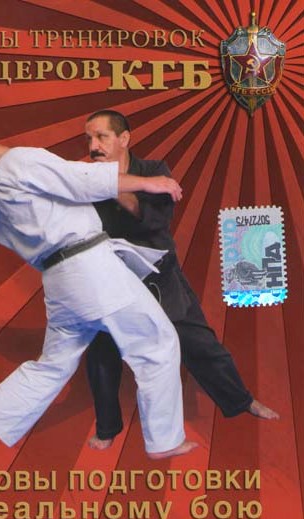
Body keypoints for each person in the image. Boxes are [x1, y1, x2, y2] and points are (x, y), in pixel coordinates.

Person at [0, 120, 198, 462]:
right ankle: (163, 440)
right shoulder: (14, 168)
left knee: (53, 366)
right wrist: (148, 182)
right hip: (91, 270)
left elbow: (12, 163)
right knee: (158, 343)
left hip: (60, 284)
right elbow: (80, 179)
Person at [84, 109, 279, 450]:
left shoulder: (154, 170)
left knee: (197, 341)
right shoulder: (84, 178)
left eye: (101, 137)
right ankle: (107, 428)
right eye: (89, 138)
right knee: (101, 352)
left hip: (160, 274)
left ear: (124, 138)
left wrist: (109, 184)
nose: (93, 146)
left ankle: (240, 400)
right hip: (112, 280)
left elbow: (153, 220)